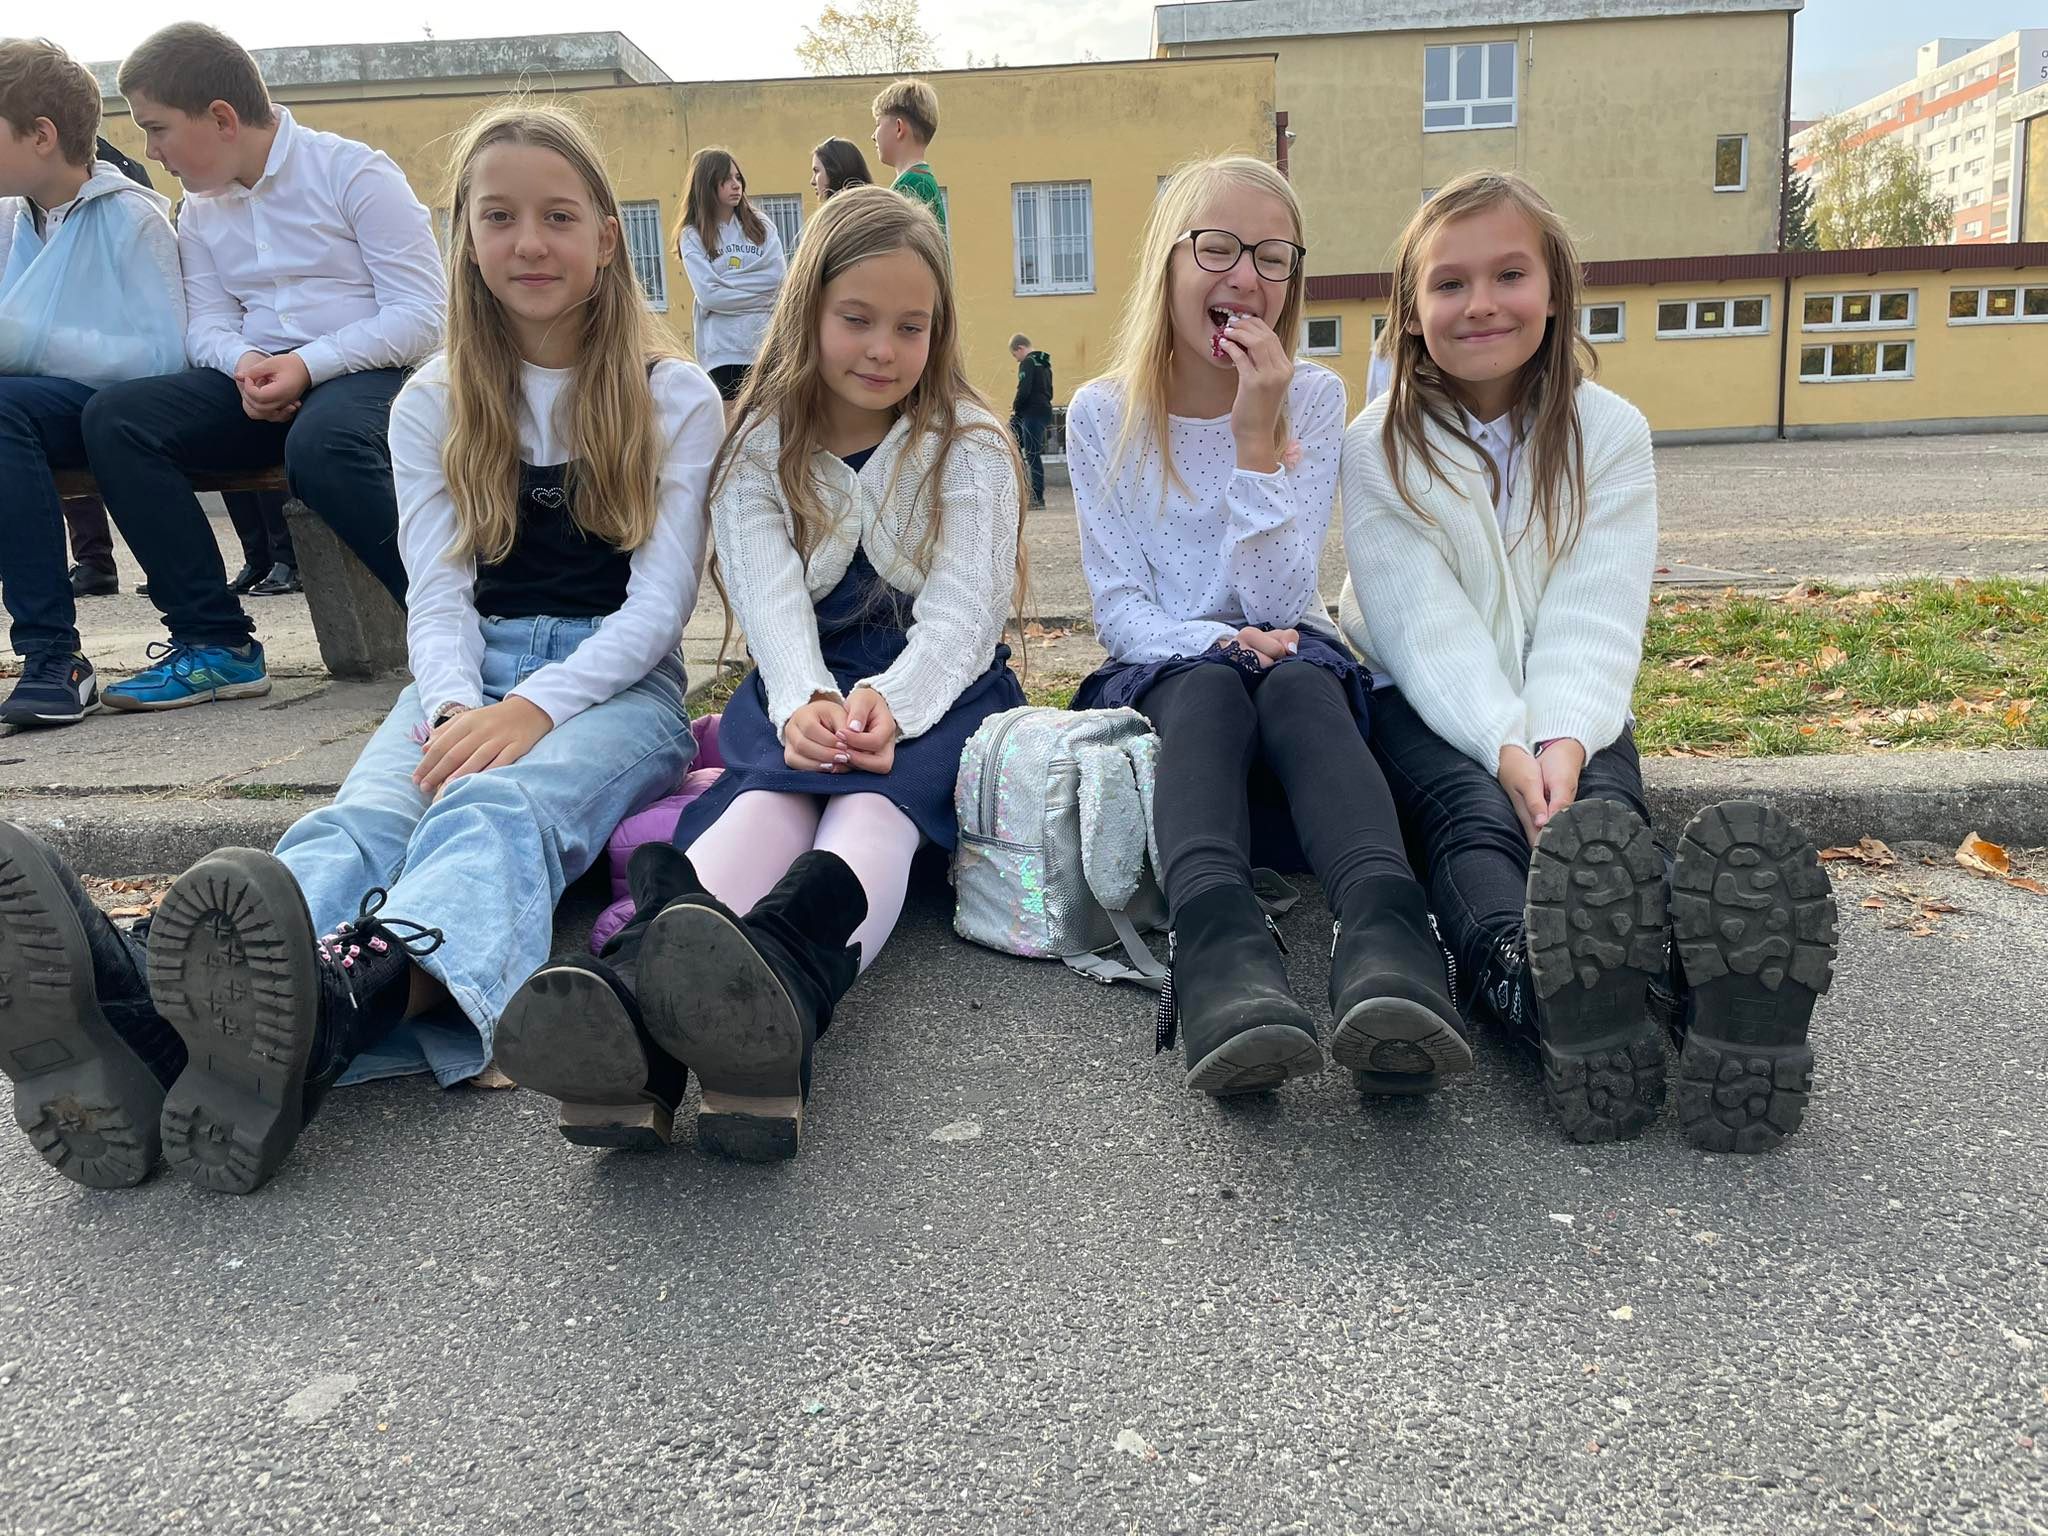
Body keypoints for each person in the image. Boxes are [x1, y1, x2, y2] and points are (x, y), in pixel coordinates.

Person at [0, 100, 722, 1194]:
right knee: (366, 819)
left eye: (558, 216)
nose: (529, 242)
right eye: (499, 217)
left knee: (494, 809)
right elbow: (438, 596)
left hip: (616, 691)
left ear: (606, 237)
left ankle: (344, 1003)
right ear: (465, 239)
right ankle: (159, 1006)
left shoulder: (671, 395)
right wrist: (452, 705)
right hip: (470, 669)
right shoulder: (436, 397)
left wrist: (529, 711)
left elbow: (657, 613)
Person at [496, 185, 1026, 1162]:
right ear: (808, 310)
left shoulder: (970, 444)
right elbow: (770, 601)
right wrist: (804, 700)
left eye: (910, 327)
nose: (882, 348)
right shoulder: (759, 443)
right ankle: (636, 1003)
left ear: (939, 329)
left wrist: (894, 703)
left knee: (871, 810)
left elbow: (963, 613)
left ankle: (785, 986)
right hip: (800, 686)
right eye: (856, 319)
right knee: (766, 804)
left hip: (936, 691)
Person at [1338, 170, 1838, 1150]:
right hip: (1427, 703)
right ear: (1409, 310)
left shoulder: (1608, 433)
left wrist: (1562, 740)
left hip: (1575, 703)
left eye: (1508, 274)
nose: (1480, 303)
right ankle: (1537, 991)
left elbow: (1596, 608)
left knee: (1600, 830)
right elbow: (1420, 622)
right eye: (1448, 283)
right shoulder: (1379, 443)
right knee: (1472, 824)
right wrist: (1505, 745)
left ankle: (1714, 994)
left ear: (1555, 289)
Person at [1066, 156, 1462, 1100]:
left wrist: (1256, 434)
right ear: (1167, 263)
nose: (1246, 277)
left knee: (1296, 679)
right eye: (1218, 248)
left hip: (1294, 670)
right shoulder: (1102, 413)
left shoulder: (1311, 397)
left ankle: (1390, 946)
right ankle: (1220, 960)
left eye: (1273, 257)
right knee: (1213, 681)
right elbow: (1121, 610)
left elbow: (1281, 605)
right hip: (1171, 675)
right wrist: (1217, 642)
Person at [79, 22, 445, 712]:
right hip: (259, 379)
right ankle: (216, 643)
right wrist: (247, 363)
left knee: (325, 445)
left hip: (375, 373)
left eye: (157, 129)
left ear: (221, 118)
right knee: (117, 418)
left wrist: (305, 365)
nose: (151, 153)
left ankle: (461, 633)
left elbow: (424, 315)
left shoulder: (354, 173)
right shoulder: (200, 209)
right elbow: (205, 325)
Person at [0, 38, 183, 727]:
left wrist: (24, 343)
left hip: (106, 410)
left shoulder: (132, 216)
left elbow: (163, 356)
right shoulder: (9, 219)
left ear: (41, 135)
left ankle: (53, 656)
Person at [676, 147, 786, 407]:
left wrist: (728, 284)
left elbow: (779, 282)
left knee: (770, 424)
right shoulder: (692, 235)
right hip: (722, 352)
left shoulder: (761, 226)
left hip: (765, 346)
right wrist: (760, 294)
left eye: (738, 178)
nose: (736, 185)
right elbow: (710, 296)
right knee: (732, 426)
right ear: (707, 184)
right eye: (726, 180)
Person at [871, 79, 945, 233]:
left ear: (899, 128)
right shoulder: (922, 180)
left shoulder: (912, 185)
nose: (873, 136)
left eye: (878, 124)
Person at [1008, 332, 1053, 510]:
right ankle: (1026, 491)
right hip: (1043, 410)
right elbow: (1050, 391)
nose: (1016, 360)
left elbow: (1024, 389)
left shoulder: (1028, 362)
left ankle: (1036, 497)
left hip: (1030, 412)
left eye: (1015, 355)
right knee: (1016, 442)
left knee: (1031, 454)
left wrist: (1015, 408)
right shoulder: (1044, 364)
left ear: (1020, 348)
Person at [810, 136, 872, 201]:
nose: (812, 181)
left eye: (816, 171)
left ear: (835, 171)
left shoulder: (852, 205)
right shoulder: (873, 203)